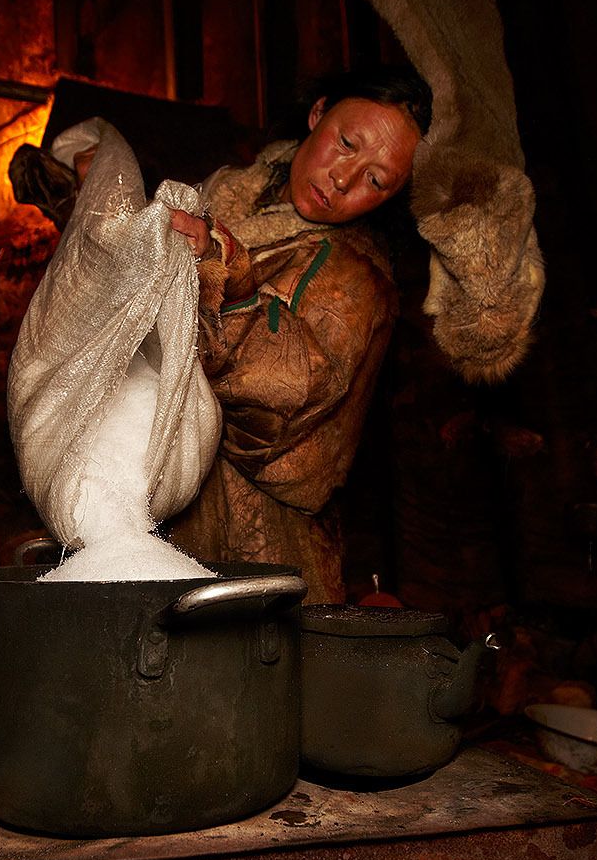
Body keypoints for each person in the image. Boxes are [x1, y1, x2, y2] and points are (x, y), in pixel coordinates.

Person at [157, 67, 432, 603]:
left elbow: (281, 403)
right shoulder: (226, 191)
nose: (343, 180)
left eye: (377, 180)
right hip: (163, 512)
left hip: (252, 550)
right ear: (317, 114)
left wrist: (227, 281)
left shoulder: (357, 281)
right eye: (346, 143)